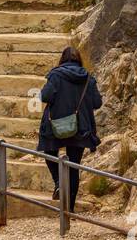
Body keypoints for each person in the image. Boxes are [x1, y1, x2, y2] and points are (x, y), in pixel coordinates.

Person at [36, 46, 102, 212]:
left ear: (63, 59)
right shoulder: (88, 78)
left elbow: (45, 96)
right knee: (74, 166)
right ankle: (69, 210)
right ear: (79, 59)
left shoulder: (56, 75)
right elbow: (97, 103)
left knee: (49, 153)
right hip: (81, 129)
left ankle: (59, 182)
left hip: (54, 126)